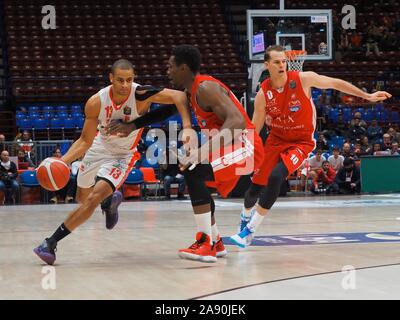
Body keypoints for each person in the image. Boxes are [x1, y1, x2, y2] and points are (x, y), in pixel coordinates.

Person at [109, 45, 265, 262]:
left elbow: (237, 121)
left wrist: (202, 151)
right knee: (194, 172)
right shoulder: (191, 91)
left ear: (183, 68)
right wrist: (133, 125)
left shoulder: (205, 88)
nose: (167, 71)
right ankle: (215, 241)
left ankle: (205, 243)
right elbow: (167, 110)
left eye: (170, 67)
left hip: (246, 145)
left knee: (195, 168)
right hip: (229, 145)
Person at [230, 45, 391, 248]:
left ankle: (249, 231)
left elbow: (334, 83)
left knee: (276, 177)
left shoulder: (303, 79)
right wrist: (246, 145)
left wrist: (366, 96)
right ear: (267, 65)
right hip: (276, 140)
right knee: (253, 190)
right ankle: (244, 216)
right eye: (277, 62)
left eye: (284, 61)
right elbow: (256, 126)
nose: (282, 65)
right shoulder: (263, 94)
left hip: (301, 142)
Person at [33, 59, 192, 265]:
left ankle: (51, 242)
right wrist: (62, 162)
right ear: (111, 78)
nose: (125, 85)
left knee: (92, 200)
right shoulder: (96, 102)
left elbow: (180, 96)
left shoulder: (141, 94)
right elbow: (84, 141)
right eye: (120, 80)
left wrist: (186, 125)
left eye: (129, 80)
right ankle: (109, 202)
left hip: (123, 155)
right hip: (99, 147)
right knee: (83, 198)